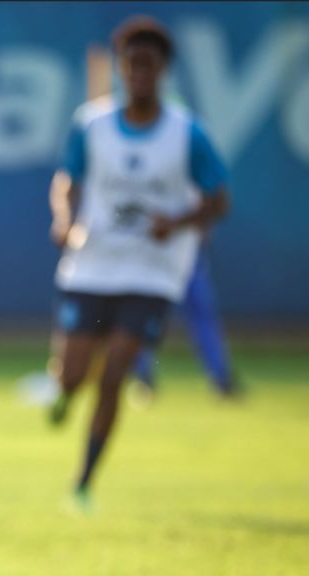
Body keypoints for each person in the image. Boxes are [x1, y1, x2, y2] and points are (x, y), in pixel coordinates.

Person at [47, 16, 229, 509]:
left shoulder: (187, 132)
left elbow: (219, 200)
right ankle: (64, 392)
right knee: (73, 375)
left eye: (149, 66)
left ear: (163, 70)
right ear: (122, 69)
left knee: (116, 376)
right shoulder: (93, 123)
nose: (140, 75)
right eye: (132, 65)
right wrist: (64, 218)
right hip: (94, 262)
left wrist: (180, 219)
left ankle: (83, 482)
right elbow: (68, 178)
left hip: (153, 269)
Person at [131, 248, 242, 398]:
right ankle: (142, 377)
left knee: (202, 314)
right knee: (144, 317)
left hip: (187, 255)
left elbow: (204, 226)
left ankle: (221, 378)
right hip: (154, 260)